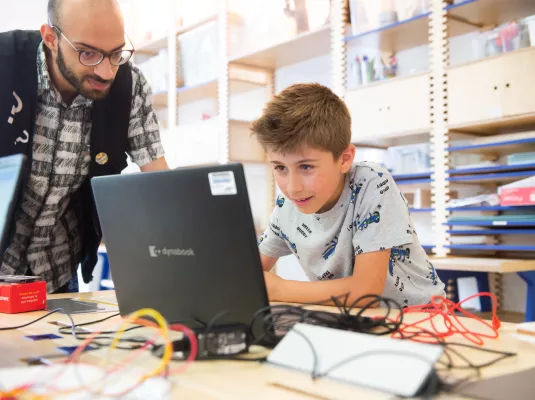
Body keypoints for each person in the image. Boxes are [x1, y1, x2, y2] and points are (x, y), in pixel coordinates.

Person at [0, 0, 168, 294]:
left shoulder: (129, 87)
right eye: (87, 53)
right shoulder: (5, 64)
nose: (105, 72)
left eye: (116, 53)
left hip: (56, 273)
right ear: (51, 38)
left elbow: (161, 183)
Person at [252, 83, 445, 307]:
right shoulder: (288, 204)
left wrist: (279, 288)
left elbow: (366, 292)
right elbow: (248, 275)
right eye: (280, 168)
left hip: (423, 319)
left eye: (306, 167)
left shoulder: (372, 182)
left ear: (344, 159)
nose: (292, 187)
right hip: (351, 319)